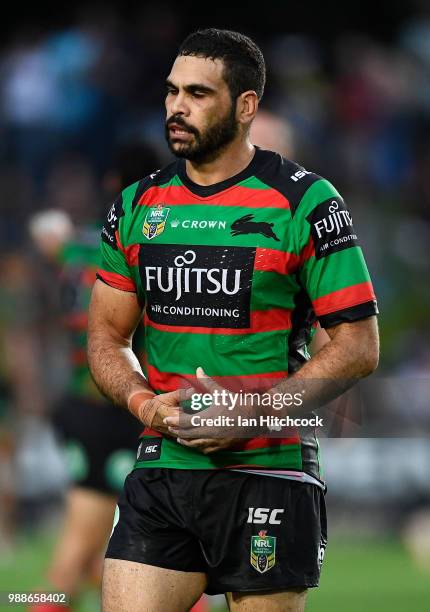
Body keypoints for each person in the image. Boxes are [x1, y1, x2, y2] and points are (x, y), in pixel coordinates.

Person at [88, 29, 379, 612]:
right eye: (172, 92)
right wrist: (144, 404)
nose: (176, 106)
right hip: (164, 466)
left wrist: (252, 412)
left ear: (246, 106)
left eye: (197, 93)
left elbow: (358, 347)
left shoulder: (307, 203)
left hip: (269, 469)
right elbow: (106, 337)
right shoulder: (137, 206)